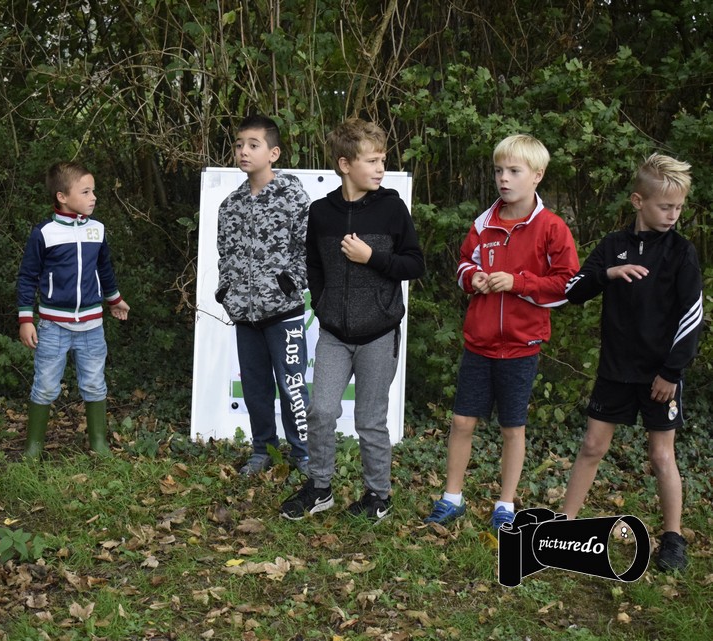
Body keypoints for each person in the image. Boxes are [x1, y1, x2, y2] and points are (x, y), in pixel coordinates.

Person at [423, 134, 579, 529]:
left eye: (513, 171)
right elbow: (464, 263)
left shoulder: (552, 228)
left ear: (537, 175)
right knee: (462, 422)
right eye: (498, 171)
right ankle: (452, 498)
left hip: (521, 348)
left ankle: (505, 504)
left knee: (512, 428)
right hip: (479, 344)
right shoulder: (484, 223)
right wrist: (472, 278)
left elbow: (568, 284)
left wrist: (518, 282)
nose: (503, 179)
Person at [560, 153, 703, 572]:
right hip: (615, 370)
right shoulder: (612, 246)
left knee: (661, 456)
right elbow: (573, 290)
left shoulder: (681, 252)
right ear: (638, 201)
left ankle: (673, 539)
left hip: (660, 376)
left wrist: (671, 372)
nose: (673, 215)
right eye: (665, 206)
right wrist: (608, 273)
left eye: (679, 208)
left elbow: (692, 316)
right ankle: (564, 526)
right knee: (592, 446)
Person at [279, 118, 425, 521]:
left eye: (383, 160)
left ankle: (378, 495)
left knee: (370, 420)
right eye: (372, 161)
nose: (381, 168)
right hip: (334, 335)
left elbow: (415, 264)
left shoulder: (392, 208)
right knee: (321, 410)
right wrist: (322, 303)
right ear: (345, 164)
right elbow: (313, 263)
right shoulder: (321, 212)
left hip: (379, 333)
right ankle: (319, 488)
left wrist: (372, 257)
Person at [215, 115, 312, 476]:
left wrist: (289, 284)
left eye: (253, 145)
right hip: (245, 316)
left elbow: (308, 249)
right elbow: (225, 254)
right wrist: (228, 293)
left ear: (273, 153)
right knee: (255, 387)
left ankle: (303, 453)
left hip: (284, 314)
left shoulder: (293, 197)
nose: (243, 151)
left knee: (292, 386)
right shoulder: (230, 205)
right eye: (239, 144)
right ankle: (262, 449)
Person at [17, 162, 130, 458]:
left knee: (94, 384)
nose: (94, 197)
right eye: (86, 192)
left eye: (93, 191)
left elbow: (104, 269)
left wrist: (115, 299)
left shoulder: (97, 230)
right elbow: (28, 277)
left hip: (92, 326)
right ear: (62, 197)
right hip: (53, 326)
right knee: (45, 386)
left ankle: (98, 442)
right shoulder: (45, 233)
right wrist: (26, 318)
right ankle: (33, 447)